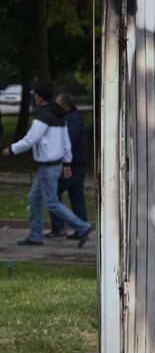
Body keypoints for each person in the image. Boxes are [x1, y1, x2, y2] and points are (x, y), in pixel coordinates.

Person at [1, 84, 92, 247]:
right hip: (54, 164)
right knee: (34, 199)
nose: (34, 98)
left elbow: (30, 139)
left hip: (48, 166)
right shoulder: (60, 115)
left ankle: (82, 226)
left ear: (41, 98)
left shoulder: (44, 116)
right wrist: (67, 162)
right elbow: (65, 142)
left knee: (51, 201)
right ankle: (35, 236)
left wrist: (11, 149)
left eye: (35, 95)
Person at [48, 93, 89, 238]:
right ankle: (81, 228)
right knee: (76, 195)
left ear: (64, 105)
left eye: (57, 104)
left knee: (54, 193)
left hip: (73, 164)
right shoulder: (73, 117)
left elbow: (66, 141)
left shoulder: (70, 119)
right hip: (78, 162)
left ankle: (61, 227)